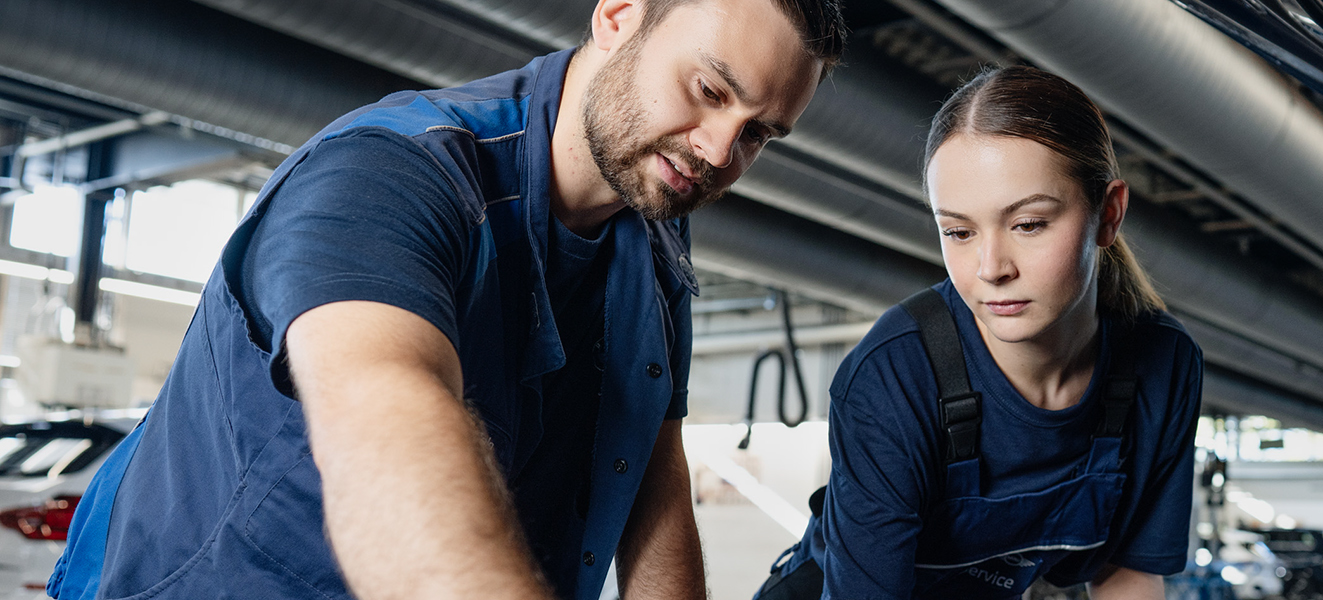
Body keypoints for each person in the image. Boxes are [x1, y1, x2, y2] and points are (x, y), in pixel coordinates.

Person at [46, 0, 844, 599]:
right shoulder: (390, 176)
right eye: (708, 88)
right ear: (618, 15)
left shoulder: (655, 241)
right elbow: (387, 422)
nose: (718, 149)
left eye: (759, 133)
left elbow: (655, 484)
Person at [755, 65, 1203, 600]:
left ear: (1108, 214)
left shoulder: (1162, 367)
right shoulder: (894, 379)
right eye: (959, 232)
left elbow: (1128, 576)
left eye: (1028, 224)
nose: (991, 267)